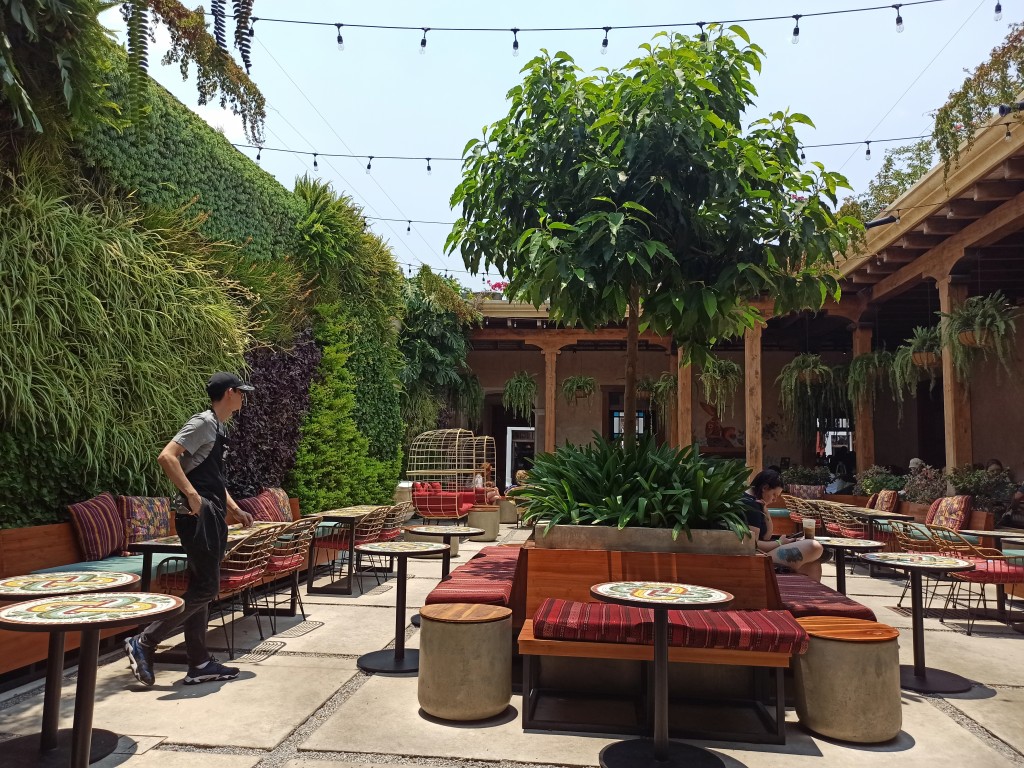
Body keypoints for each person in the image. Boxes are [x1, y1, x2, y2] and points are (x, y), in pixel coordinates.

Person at [124, 372, 255, 686]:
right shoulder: (202, 423)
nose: (244, 399)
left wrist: (234, 508)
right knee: (207, 588)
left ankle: (199, 662)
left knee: (202, 587)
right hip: (197, 519)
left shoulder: (217, 427)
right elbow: (167, 456)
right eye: (242, 393)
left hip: (210, 518)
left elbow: (211, 477)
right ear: (230, 393)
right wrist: (193, 497)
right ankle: (144, 642)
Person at [741, 469, 824, 582]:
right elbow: (753, 545)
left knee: (813, 563)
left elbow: (766, 536)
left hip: (762, 552)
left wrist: (765, 510)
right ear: (765, 488)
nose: (774, 499)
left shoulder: (757, 503)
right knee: (814, 546)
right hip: (757, 555)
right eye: (774, 494)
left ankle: (807, 595)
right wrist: (779, 543)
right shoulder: (751, 505)